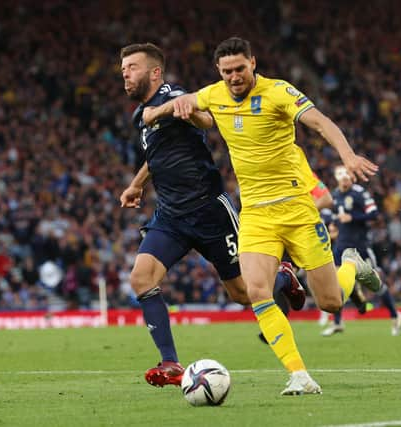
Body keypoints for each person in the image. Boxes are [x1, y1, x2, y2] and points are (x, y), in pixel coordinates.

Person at [147, 37, 381, 396]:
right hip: (256, 213)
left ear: (253, 63)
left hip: (297, 210)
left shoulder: (279, 92)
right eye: (227, 71)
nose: (234, 77)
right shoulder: (215, 93)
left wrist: (347, 156)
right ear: (219, 72)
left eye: (240, 68)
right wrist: (157, 112)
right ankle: (299, 374)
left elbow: (320, 122)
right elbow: (192, 105)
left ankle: (351, 265)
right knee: (256, 291)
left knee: (331, 302)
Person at [119, 43, 305, 389]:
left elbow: (205, 118)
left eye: (131, 66)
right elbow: (156, 155)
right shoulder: (140, 115)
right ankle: (171, 363)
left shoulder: (174, 95)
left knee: (244, 293)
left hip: (209, 210)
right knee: (141, 279)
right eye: (123, 68)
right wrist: (136, 185)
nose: (125, 72)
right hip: (171, 216)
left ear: (154, 72)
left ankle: (283, 277)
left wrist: (180, 110)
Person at [320, 165, 401, 336]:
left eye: (346, 175)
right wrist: (334, 226)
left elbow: (374, 214)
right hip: (341, 246)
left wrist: (353, 218)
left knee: (376, 286)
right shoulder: (334, 195)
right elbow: (334, 217)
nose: (343, 178)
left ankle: (395, 316)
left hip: (359, 248)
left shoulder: (360, 193)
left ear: (351, 177)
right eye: (340, 175)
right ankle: (337, 322)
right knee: (336, 285)